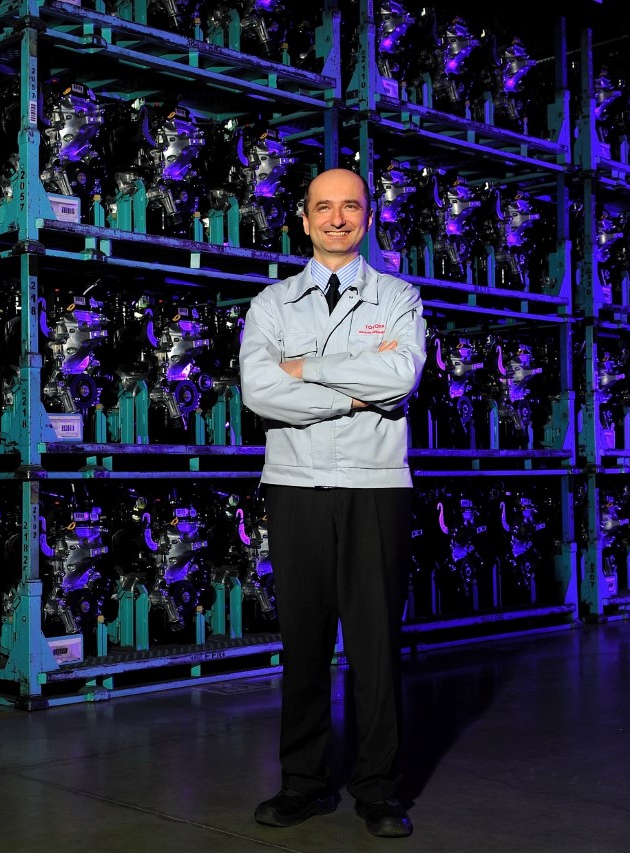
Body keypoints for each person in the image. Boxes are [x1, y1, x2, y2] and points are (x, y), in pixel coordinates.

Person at [239, 168, 425, 838]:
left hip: (376, 486)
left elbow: (399, 377)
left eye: (350, 206)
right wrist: (353, 394)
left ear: (368, 216)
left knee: (376, 645)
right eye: (324, 207)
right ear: (304, 217)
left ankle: (378, 789)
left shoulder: (398, 297)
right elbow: (260, 391)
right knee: (305, 643)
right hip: (296, 485)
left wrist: (308, 370)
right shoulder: (273, 304)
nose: (337, 218)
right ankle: (304, 783)